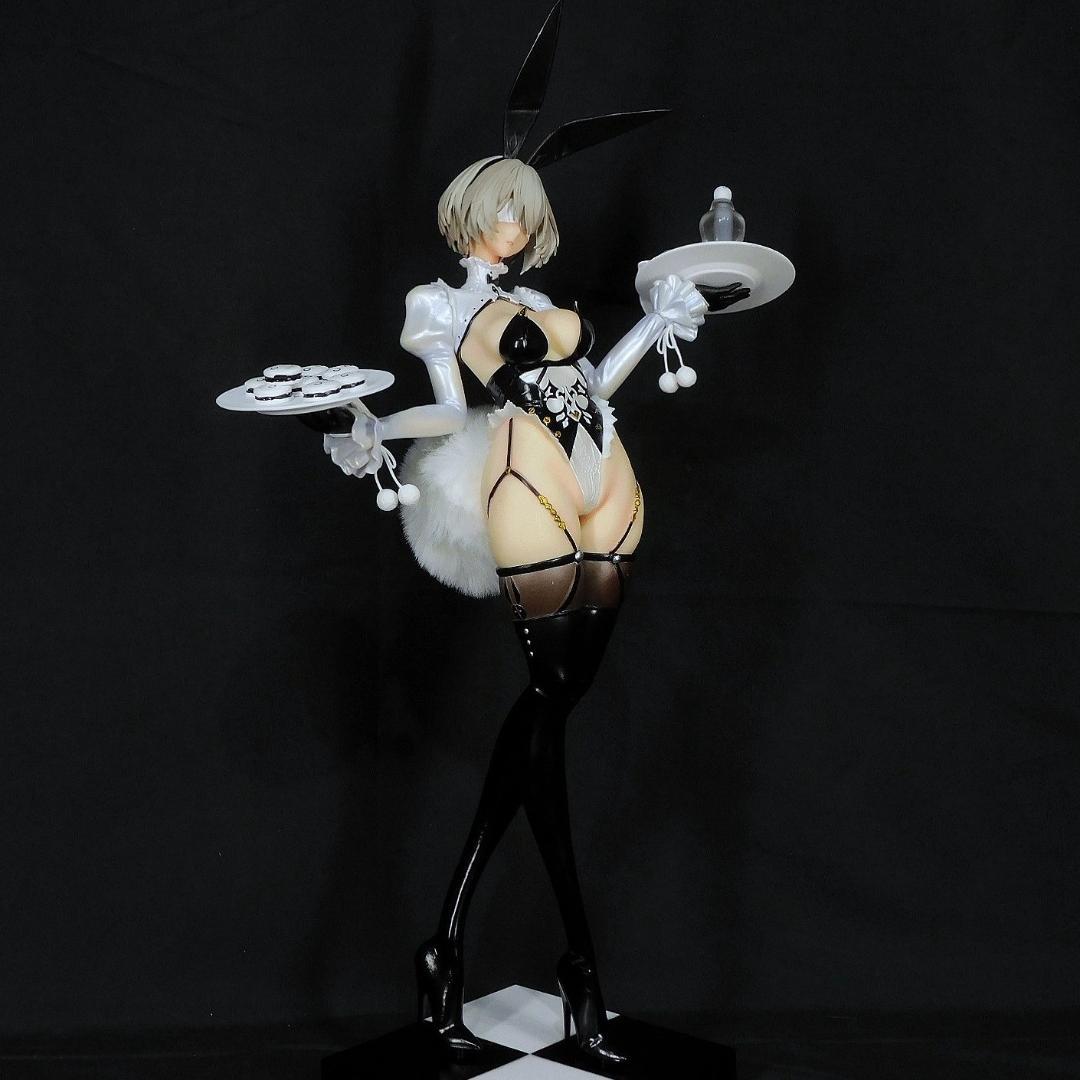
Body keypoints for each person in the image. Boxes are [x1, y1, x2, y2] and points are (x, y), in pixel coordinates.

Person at [311, 152, 707, 1064]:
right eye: (499, 211)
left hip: (606, 469)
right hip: (526, 471)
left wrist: (656, 323)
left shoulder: (538, 299)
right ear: (466, 214)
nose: (513, 228)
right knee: (552, 693)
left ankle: (450, 946)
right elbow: (452, 413)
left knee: (554, 706)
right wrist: (373, 427)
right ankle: (577, 964)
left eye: (525, 213)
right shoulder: (438, 305)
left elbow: (597, 382)